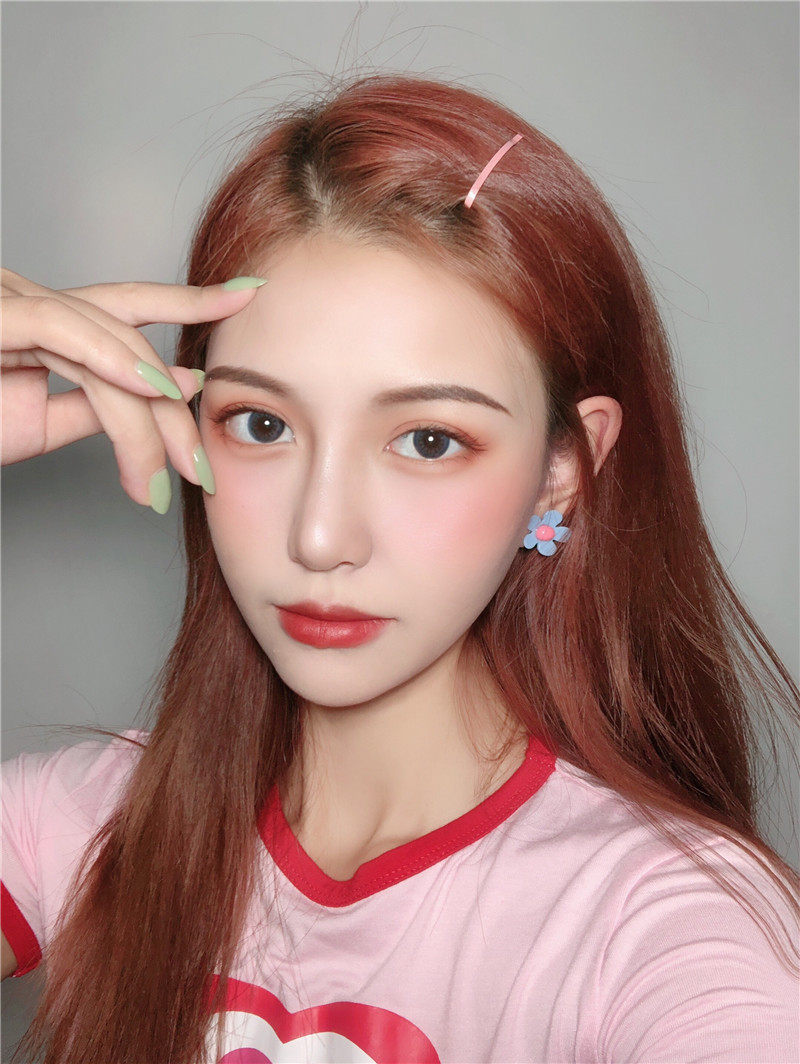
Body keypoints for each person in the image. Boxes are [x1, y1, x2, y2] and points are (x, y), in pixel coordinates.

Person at [1, 72, 798, 1064]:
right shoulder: (87, 824)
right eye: (262, 424)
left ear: (562, 470)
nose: (320, 537)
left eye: (427, 440)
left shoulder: (661, 930)